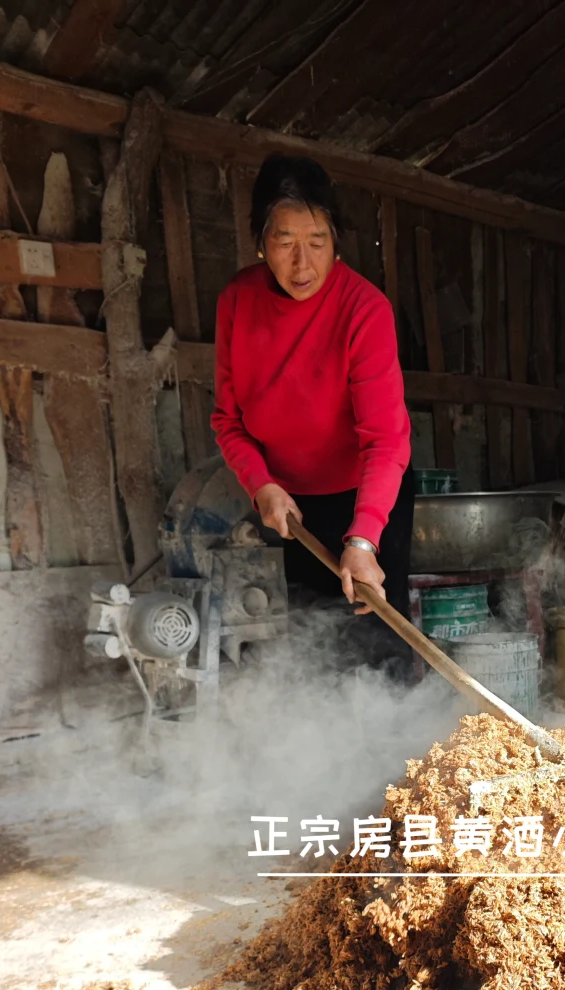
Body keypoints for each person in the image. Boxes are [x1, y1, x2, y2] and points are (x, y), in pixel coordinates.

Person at [211, 153, 414, 664]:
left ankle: (394, 743)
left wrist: (364, 540)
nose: (303, 264)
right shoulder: (237, 302)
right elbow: (228, 422)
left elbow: (386, 440)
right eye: (284, 243)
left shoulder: (365, 310)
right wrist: (262, 485)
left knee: (375, 641)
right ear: (261, 242)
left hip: (367, 497)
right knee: (307, 642)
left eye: (317, 242)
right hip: (289, 507)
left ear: (336, 241)